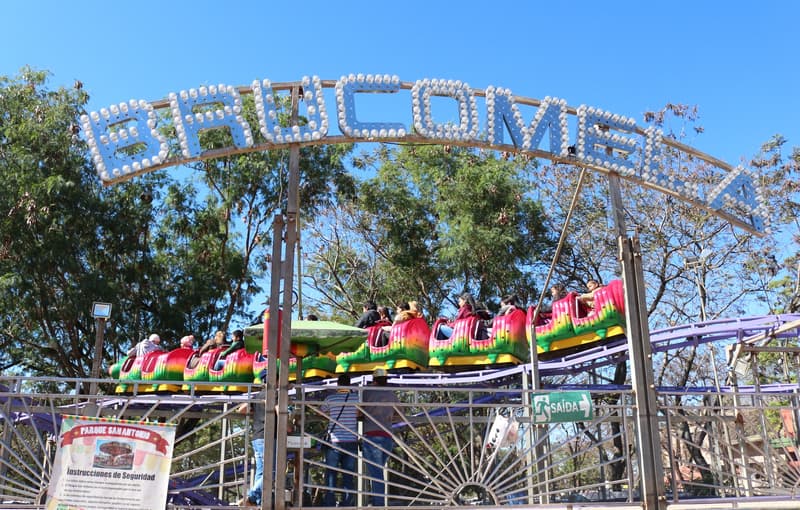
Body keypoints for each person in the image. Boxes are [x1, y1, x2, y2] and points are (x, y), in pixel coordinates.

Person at [360, 367, 401, 506]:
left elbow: (358, 411)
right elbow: (400, 414)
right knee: (378, 472)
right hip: (387, 437)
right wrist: (389, 418)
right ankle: (379, 502)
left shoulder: (366, 392)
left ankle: (379, 505)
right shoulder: (391, 394)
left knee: (376, 474)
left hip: (371, 436)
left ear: (373, 379)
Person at [321, 374, 359, 507]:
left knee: (331, 473)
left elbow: (323, 412)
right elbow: (360, 414)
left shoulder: (331, 398)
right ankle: (347, 503)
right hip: (351, 441)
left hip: (335, 441)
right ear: (349, 384)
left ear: (338, 384)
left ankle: (329, 502)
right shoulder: (356, 398)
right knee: (348, 475)